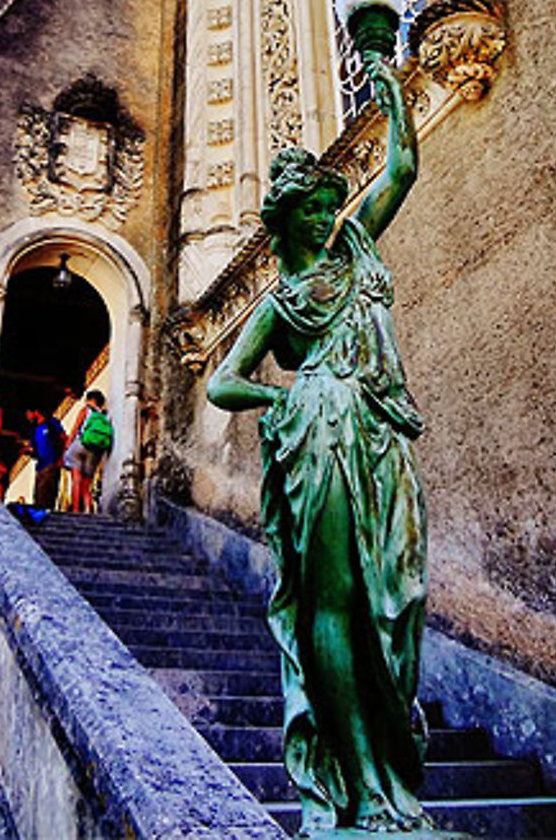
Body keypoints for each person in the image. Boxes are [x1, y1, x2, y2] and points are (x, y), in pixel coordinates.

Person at [207, 57, 428, 835]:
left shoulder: (355, 249)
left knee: (399, 598)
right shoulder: (279, 303)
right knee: (333, 602)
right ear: (287, 217)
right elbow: (222, 382)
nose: (330, 212)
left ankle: (394, 778)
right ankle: (360, 785)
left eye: (334, 201)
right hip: (321, 434)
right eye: (316, 205)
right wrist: (288, 394)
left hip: (381, 431)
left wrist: (392, 92)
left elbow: (401, 167)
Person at [64, 389, 113, 514]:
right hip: (95, 451)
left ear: (89, 399)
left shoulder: (85, 410)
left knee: (76, 479)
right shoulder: (105, 416)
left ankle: (75, 509)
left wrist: (67, 445)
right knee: (87, 483)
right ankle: (88, 508)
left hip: (80, 445)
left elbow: (76, 428)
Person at [25, 406, 64, 511]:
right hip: (40, 466)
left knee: (48, 494)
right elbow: (34, 451)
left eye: (29, 413)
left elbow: (63, 438)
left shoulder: (51, 423)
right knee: (38, 495)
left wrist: (61, 457)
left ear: (36, 412)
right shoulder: (34, 431)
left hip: (51, 463)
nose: (28, 417)